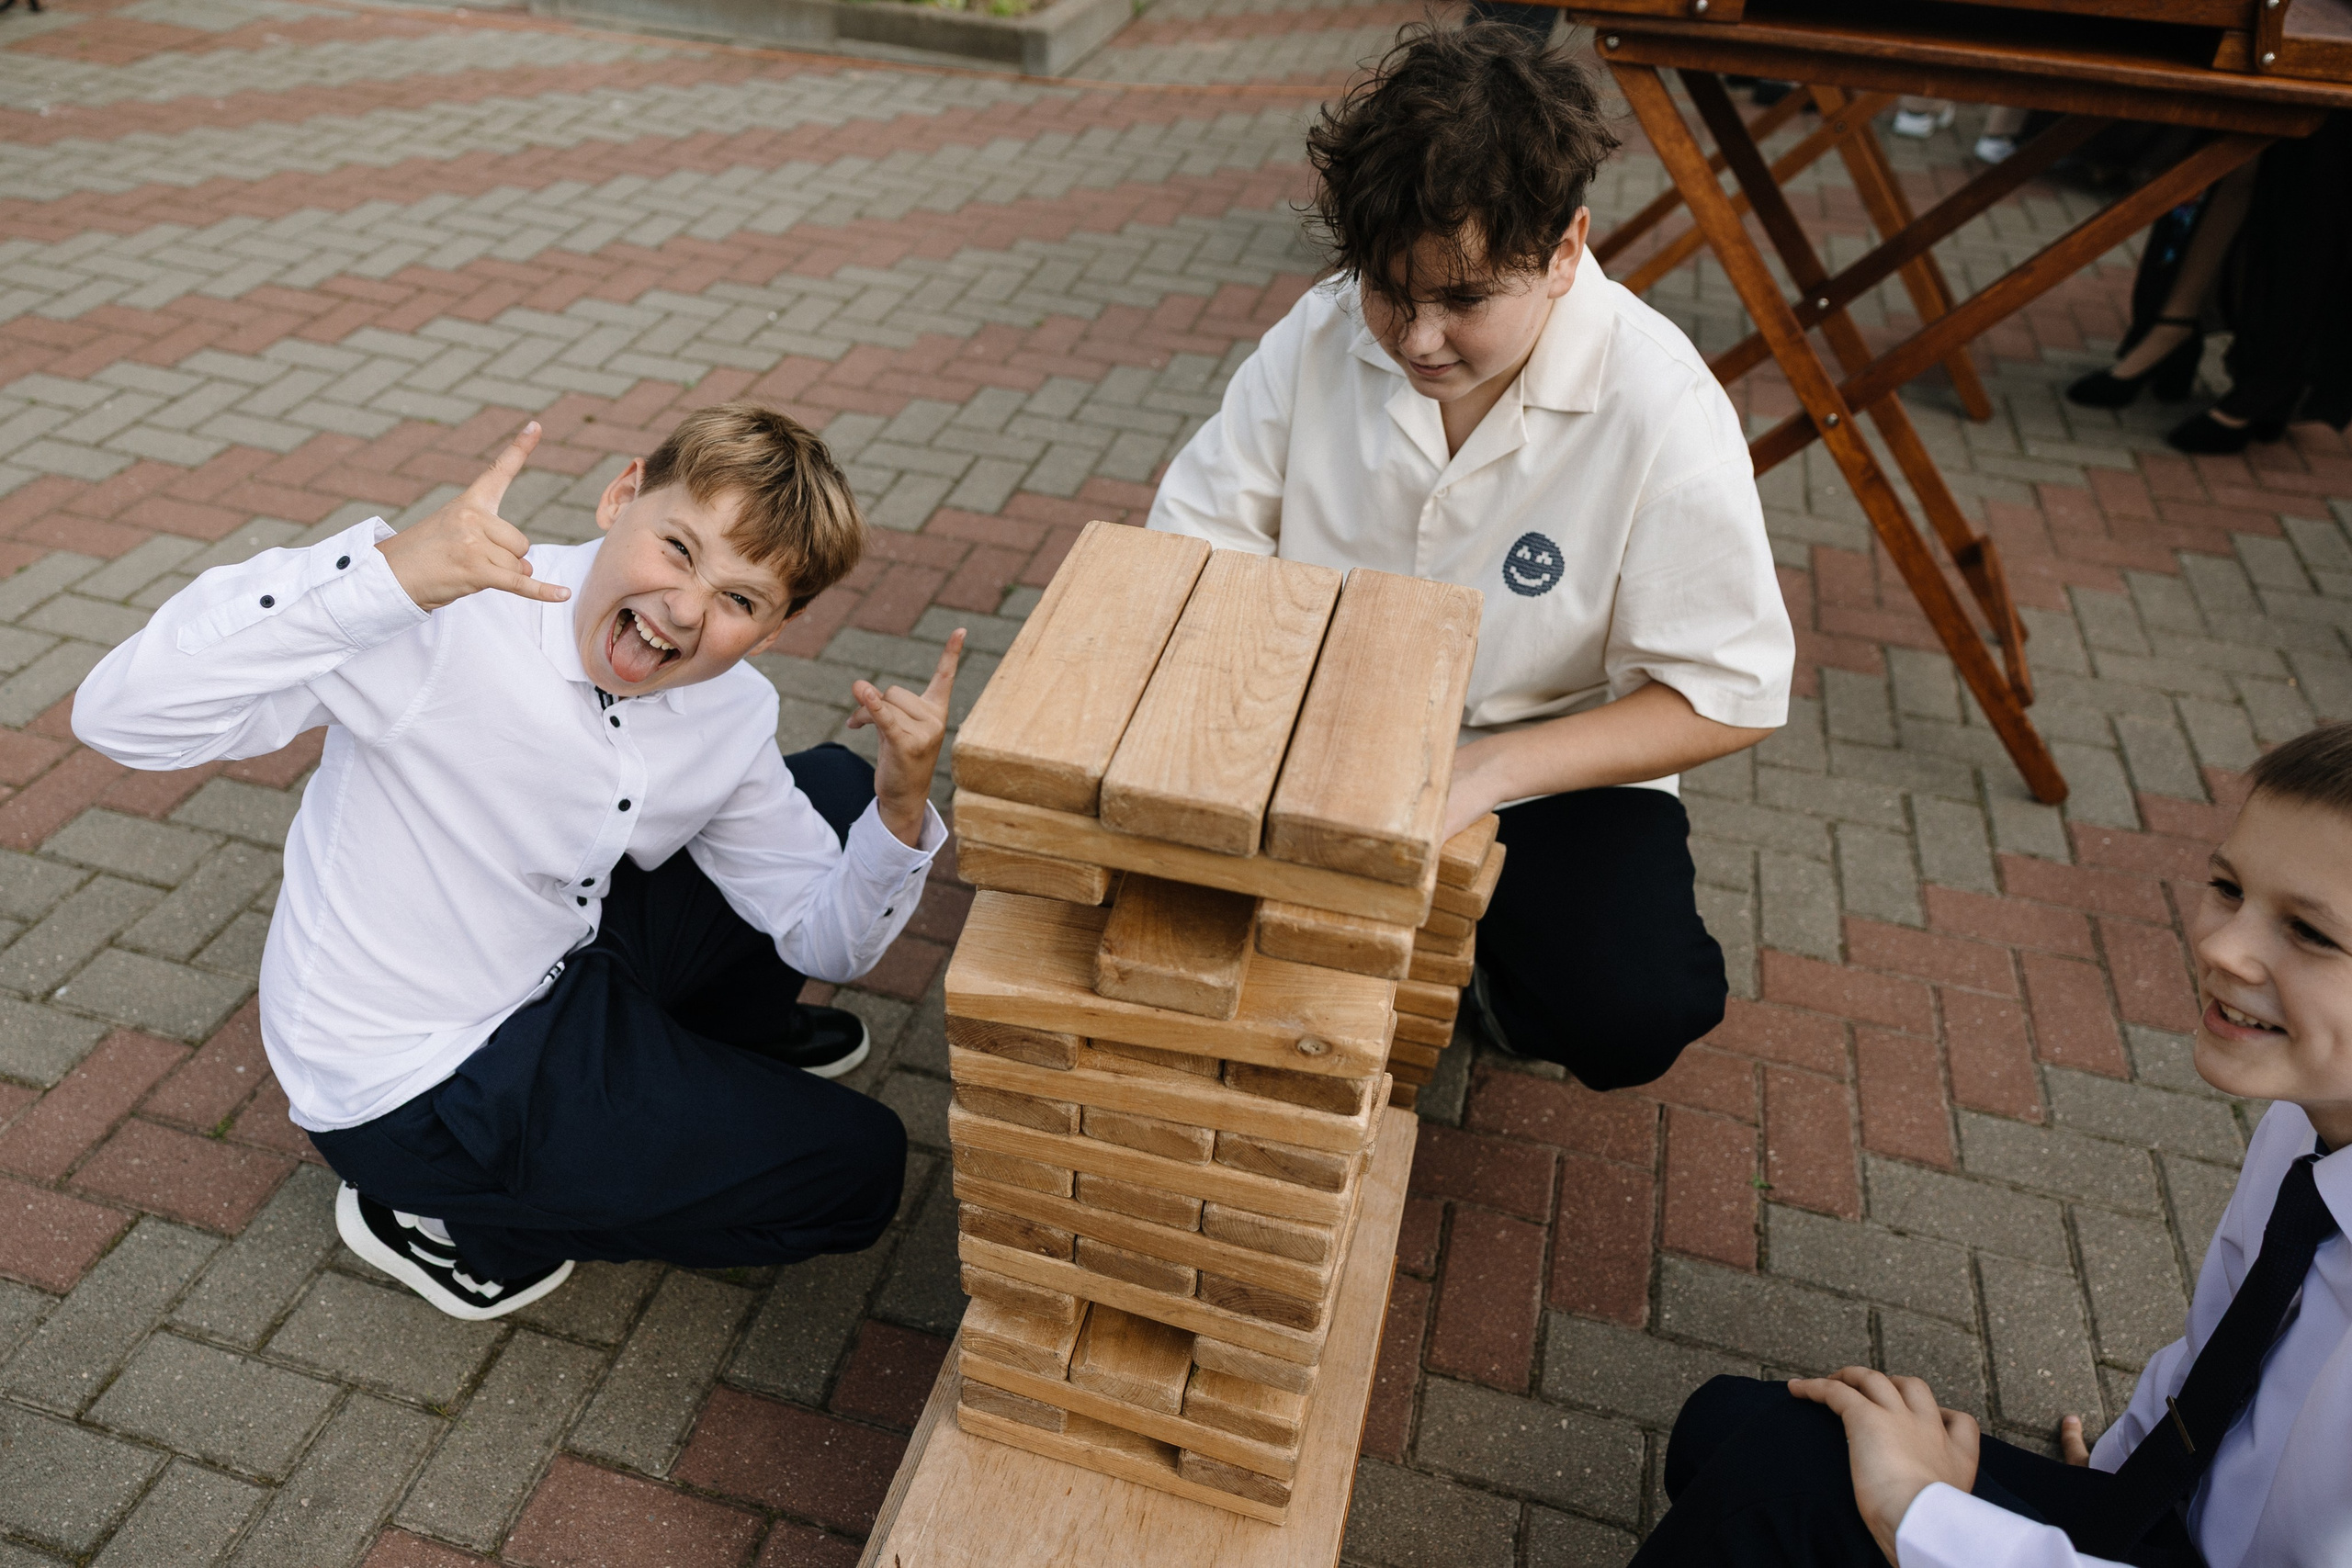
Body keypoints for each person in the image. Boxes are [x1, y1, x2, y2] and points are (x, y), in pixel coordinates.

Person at [73, 403, 961, 1321]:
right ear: (622, 494)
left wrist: (902, 812)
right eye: (680, 550)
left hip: (565, 954)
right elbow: (120, 718)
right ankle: (468, 1225)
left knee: (841, 792)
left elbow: (828, 944)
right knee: (859, 1172)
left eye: (741, 600)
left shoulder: (732, 708)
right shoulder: (446, 613)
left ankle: (717, 1053)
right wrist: (381, 579)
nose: (686, 608)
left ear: (774, 630)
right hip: (427, 1080)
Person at [1148, 24, 1792, 1092]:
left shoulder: (1660, 403)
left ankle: (1483, 987)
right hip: (1313, 720)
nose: (1415, 340)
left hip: (1539, 761)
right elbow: (1192, 547)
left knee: (1633, 1009)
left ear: (1565, 247)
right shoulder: (1315, 335)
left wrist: (1479, 774)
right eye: (1390, 290)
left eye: (1462, 299)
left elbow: (1729, 695)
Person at [1630, 718, 2352, 1568]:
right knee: (1733, 1428)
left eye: (2310, 933)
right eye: (2228, 887)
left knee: (1790, 1477)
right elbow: (2219, 1346)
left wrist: (1926, 1514)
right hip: (2176, 1530)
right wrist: (2121, 1488)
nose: (2220, 944)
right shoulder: (2308, 1116)